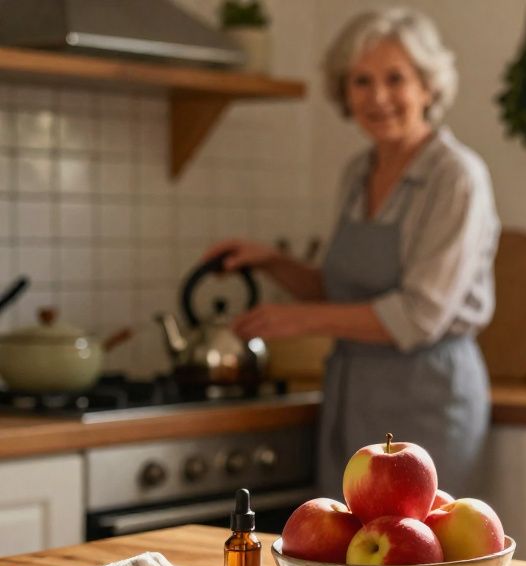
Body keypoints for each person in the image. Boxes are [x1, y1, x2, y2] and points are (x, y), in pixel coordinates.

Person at [201, 8, 499, 495]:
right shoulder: (357, 174)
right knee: (349, 556)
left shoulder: (456, 177)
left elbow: (419, 315)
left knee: (422, 558)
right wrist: (272, 262)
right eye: (361, 81)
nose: (378, 97)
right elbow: (342, 291)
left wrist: (302, 320)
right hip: (353, 393)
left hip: (429, 396)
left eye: (395, 78)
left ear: (428, 86)